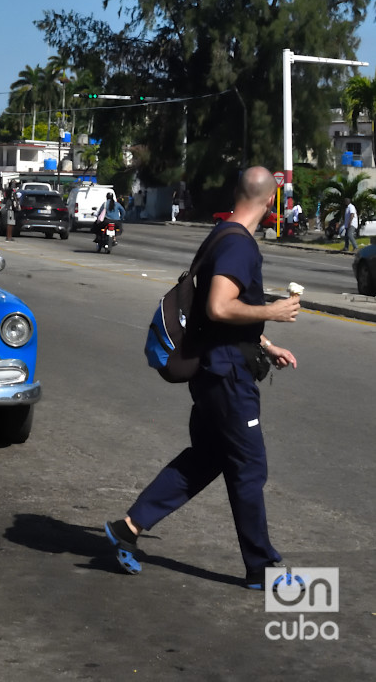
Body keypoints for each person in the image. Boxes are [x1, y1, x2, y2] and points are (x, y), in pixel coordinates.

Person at [104, 166, 300, 589]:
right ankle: (262, 570)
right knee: (249, 468)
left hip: (214, 368)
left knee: (207, 457)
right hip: (227, 375)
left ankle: (129, 527)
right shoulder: (239, 246)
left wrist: (266, 345)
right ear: (269, 204)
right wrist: (274, 311)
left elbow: (225, 311)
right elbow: (218, 307)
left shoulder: (221, 235)